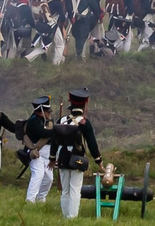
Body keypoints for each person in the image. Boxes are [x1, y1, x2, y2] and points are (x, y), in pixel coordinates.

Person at [45, 88, 102, 218]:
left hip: (63, 158)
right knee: (75, 189)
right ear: (84, 104)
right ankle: (72, 218)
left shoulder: (61, 120)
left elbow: (54, 142)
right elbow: (92, 144)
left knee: (65, 190)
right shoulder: (84, 123)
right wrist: (98, 160)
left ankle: (66, 217)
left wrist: (52, 158)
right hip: (78, 158)